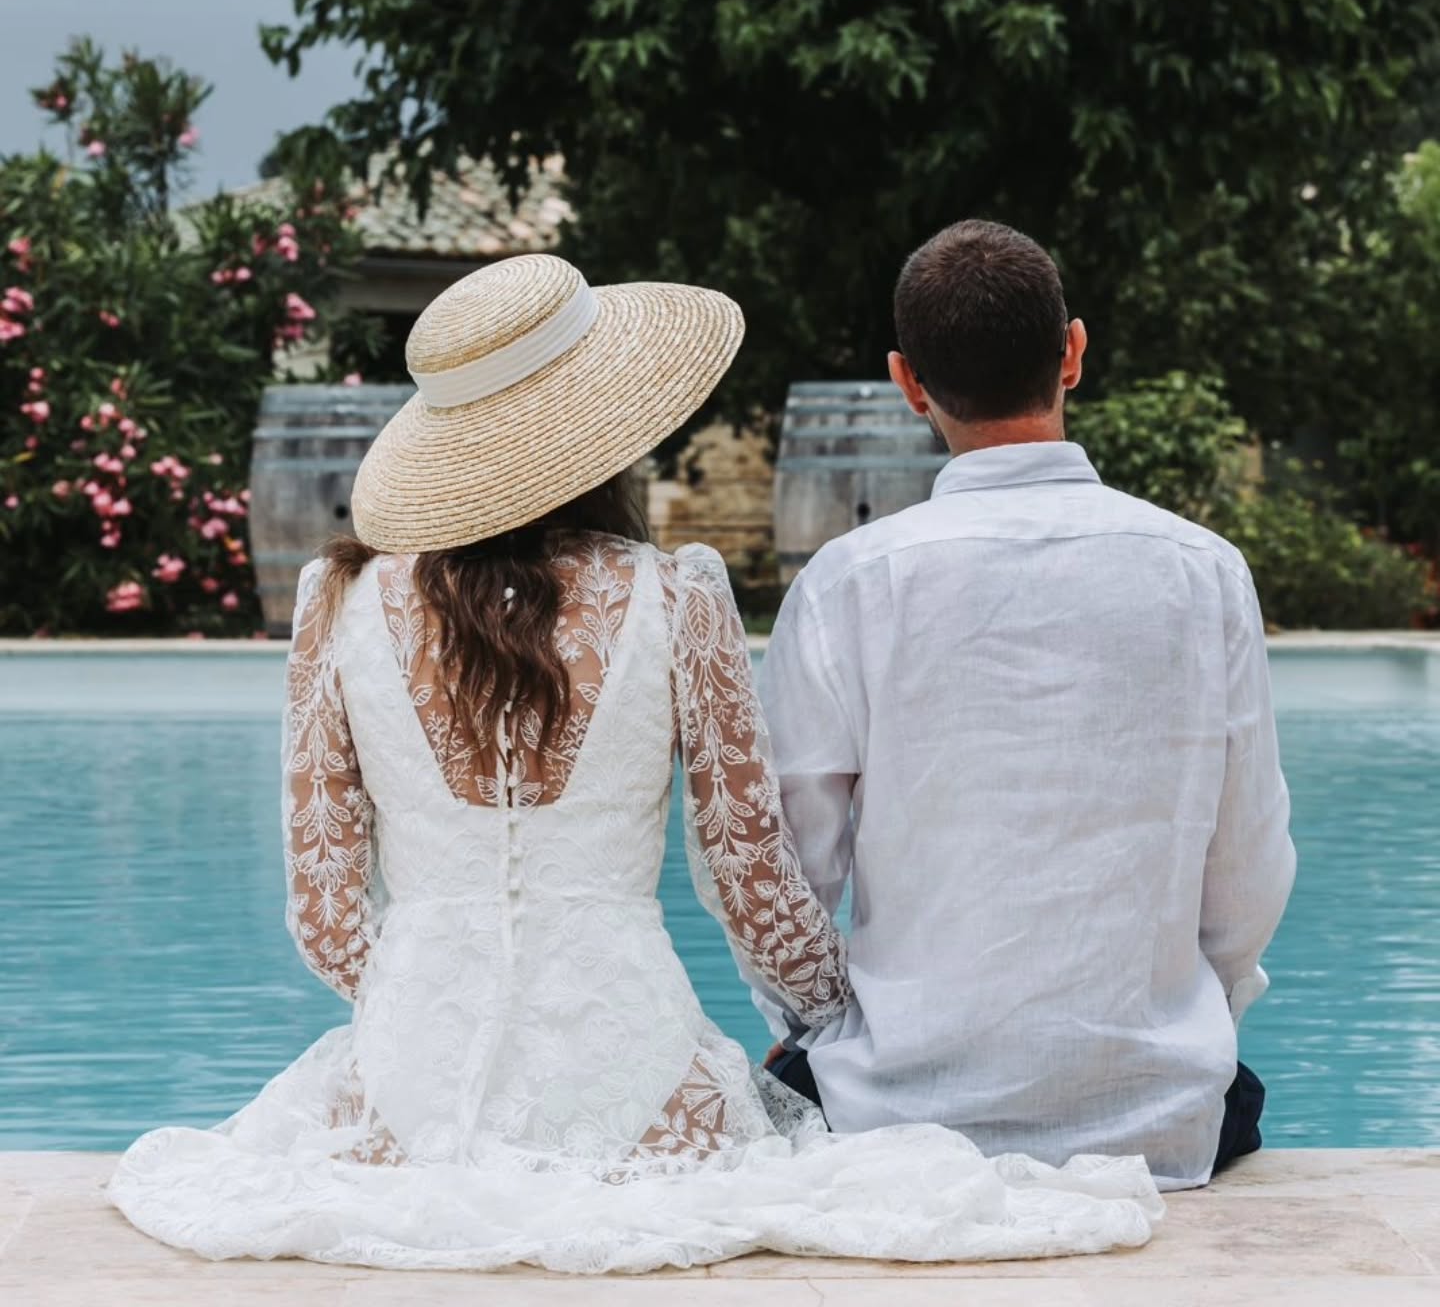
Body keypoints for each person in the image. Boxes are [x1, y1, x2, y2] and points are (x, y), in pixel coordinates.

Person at [108, 252, 1161, 1272]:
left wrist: (428, 997)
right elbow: (751, 886)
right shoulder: (678, 592)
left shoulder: (336, 600)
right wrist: (841, 1016)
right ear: (602, 424)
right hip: (639, 1078)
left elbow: (327, 922)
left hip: (408, 1090)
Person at [760, 220, 1296, 1192]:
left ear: (907, 381)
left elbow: (791, 874)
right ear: (1073, 353)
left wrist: (815, 1030)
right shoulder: (1204, 571)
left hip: (890, 1111)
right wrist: (1189, 1019)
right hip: (1159, 1111)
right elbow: (1248, 866)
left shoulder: (848, 582)